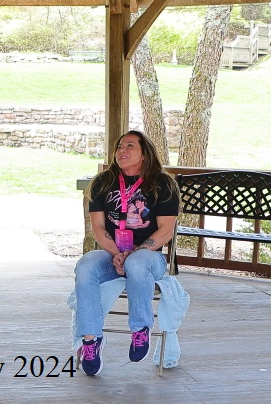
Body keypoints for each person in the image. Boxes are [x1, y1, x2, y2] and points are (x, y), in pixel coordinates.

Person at [73, 130, 179, 376]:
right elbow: (98, 228)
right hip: (113, 253)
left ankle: (141, 329)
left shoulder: (163, 184)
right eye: (119, 146)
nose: (122, 150)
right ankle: (91, 340)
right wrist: (116, 253)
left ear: (144, 154)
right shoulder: (103, 182)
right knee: (87, 265)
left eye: (130, 146)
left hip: (149, 257)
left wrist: (133, 254)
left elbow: (165, 230)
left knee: (138, 263)